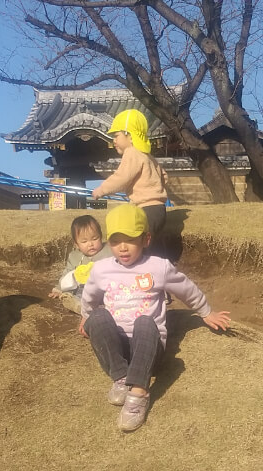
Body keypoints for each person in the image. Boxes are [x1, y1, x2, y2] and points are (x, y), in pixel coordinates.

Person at [79, 204, 231, 431]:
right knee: (98, 316)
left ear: (146, 239)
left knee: (145, 322)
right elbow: (89, 296)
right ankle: (120, 378)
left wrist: (206, 312)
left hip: (148, 345)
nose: (122, 247)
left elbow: (186, 289)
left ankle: (139, 393)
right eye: (115, 240)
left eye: (130, 240)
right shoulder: (101, 269)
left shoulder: (158, 267)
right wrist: (86, 317)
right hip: (117, 346)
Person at [90, 109, 177, 262]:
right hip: (159, 209)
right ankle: (165, 269)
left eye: (116, 136)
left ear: (129, 135)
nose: (114, 141)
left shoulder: (131, 153)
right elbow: (164, 176)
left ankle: (143, 276)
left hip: (145, 209)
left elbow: (122, 177)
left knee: (141, 247)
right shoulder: (148, 156)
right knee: (153, 245)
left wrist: (101, 190)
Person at [48, 215, 113, 314]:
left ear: (101, 237)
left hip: (107, 287)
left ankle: (99, 306)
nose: (90, 244)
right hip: (85, 289)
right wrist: (58, 288)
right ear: (76, 244)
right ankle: (78, 305)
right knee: (78, 291)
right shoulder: (75, 257)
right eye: (84, 241)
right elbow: (67, 274)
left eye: (95, 238)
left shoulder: (109, 250)